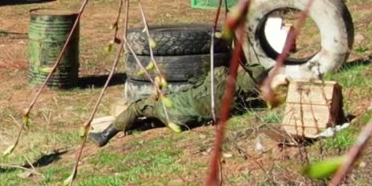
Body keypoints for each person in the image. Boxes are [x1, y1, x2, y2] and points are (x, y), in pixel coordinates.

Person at [90, 61, 284, 147]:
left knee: (137, 106)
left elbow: (197, 79)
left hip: (174, 107)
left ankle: (105, 135)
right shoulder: (238, 104)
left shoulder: (221, 74)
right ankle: (137, 129)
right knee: (159, 118)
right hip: (187, 122)